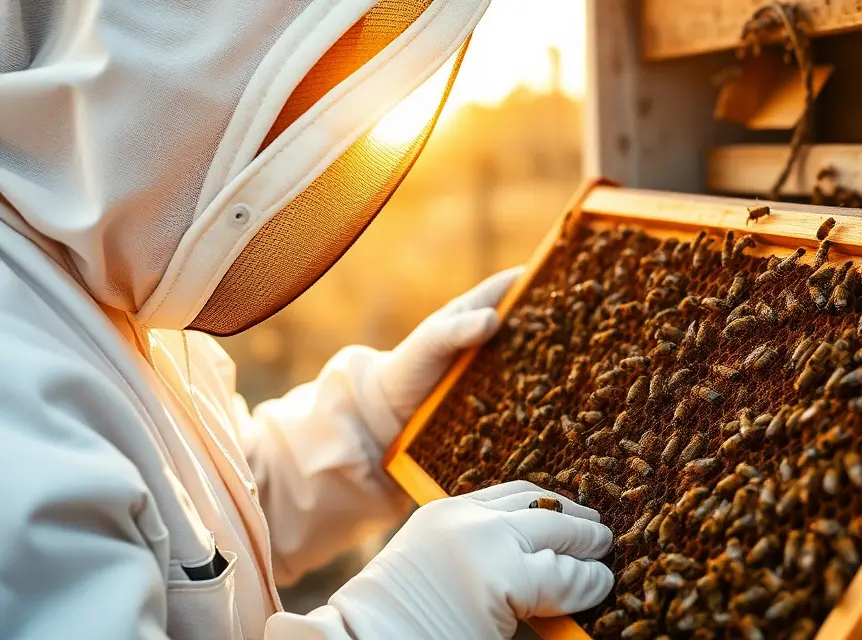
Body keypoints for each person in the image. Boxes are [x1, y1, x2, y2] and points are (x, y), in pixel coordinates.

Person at [0, 1, 614, 639]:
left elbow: (195, 520)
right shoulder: (11, 400)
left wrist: (369, 425)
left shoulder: (91, 271)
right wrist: (387, 625)